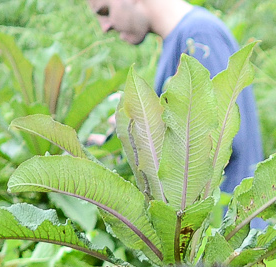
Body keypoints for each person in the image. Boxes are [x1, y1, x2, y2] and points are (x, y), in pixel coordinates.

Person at [90, 0, 262, 193]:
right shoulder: (181, 38)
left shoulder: (198, 35)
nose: (104, 27)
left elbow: (221, 137)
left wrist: (145, 130)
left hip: (229, 217)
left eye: (105, 11)